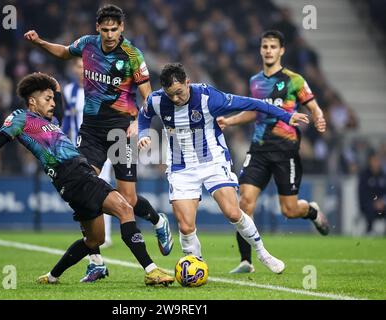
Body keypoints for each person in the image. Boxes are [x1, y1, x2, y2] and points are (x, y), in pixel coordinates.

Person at [0, 72, 174, 286]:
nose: (52, 103)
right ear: (32, 101)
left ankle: (52, 276)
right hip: (75, 174)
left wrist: (56, 89)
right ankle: (151, 270)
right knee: (124, 208)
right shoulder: (20, 118)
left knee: (94, 240)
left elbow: (58, 111)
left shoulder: (50, 122)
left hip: (69, 183)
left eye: (52, 99)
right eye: (47, 99)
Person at [24, 4, 173, 282]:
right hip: (91, 131)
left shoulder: (132, 55)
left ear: (122, 28)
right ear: (97, 28)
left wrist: (137, 124)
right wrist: (41, 42)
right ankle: (96, 259)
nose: (108, 34)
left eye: (113, 29)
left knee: (127, 199)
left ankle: (157, 220)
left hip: (120, 131)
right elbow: (64, 51)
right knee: (83, 191)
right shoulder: (88, 45)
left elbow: (148, 97)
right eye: (104, 29)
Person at [138, 63, 309, 274]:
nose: (175, 99)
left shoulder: (209, 98)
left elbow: (253, 103)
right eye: (170, 95)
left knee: (232, 212)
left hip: (213, 163)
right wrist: (144, 133)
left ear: (187, 83)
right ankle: (196, 266)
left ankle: (262, 252)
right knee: (185, 226)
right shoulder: (156, 100)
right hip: (181, 168)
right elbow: (143, 115)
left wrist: (286, 116)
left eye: (179, 93)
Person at [216, 30, 330, 274]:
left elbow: (312, 105)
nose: (268, 50)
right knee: (244, 202)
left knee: (289, 209)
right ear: (260, 50)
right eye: (264, 46)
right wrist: (231, 121)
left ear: (281, 51)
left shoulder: (294, 80)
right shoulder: (255, 81)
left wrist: (319, 117)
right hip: (258, 149)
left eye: (272, 47)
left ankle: (311, 210)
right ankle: (246, 261)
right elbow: (256, 111)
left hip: (285, 151)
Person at [62, 58, 113, 249]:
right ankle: (90, 233)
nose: (80, 70)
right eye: (77, 66)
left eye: (84, 66)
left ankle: (105, 234)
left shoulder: (101, 89)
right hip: (77, 150)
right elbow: (67, 120)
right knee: (84, 191)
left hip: (100, 147)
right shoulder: (68, 91)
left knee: (103, 188)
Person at [358, 151, 386, 235]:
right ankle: (369, 231)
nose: (376, 163)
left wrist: (382, 202)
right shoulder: (365, 175)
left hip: (382, 205)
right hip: (368, 204)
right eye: (374, 161)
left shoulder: (383, 175)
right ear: (370, 162)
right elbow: (362, 194)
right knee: (370, 209)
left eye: (378, 160)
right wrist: (374, 203)